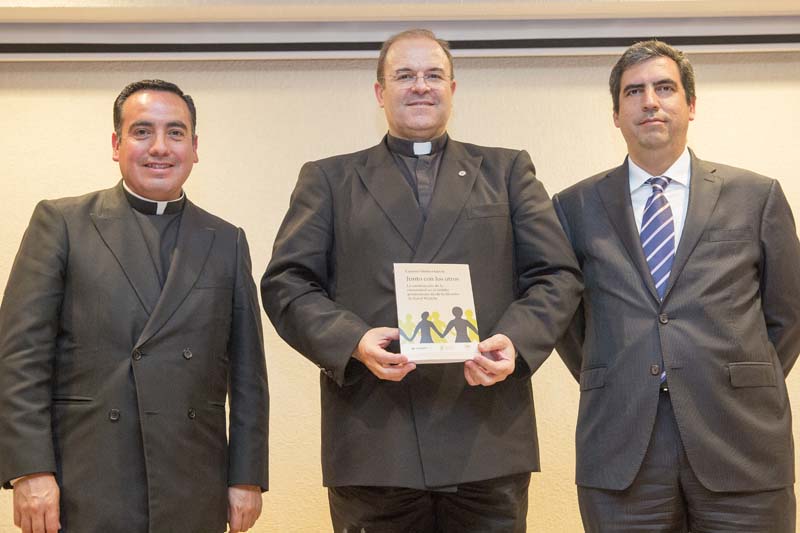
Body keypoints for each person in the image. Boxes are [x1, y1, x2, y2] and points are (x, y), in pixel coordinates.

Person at [262, 29, 581, 532]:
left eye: (433, 75)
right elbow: (287, 284)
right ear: (379, 92)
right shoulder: (328, 180)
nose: (420, 86)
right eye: (404, 75)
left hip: (486, 440)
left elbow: (557, 275)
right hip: (374, 444)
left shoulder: (507, 171)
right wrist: (354, 340)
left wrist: (516, 342)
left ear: (452, 88)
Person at [0, 79, 269, 533]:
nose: (160, 147)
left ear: (195, 147)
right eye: (142, 131)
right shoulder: (62, 223)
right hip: (86, 478)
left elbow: (248, 372)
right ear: (116, 144)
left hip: (192, 480)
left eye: (176, 132)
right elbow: (19, 360)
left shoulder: (227, 240)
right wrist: (30, 471)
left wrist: (247, 477)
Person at [554, 40, 800, 532]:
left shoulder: (756, 195)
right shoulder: (574, 207)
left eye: (665, 88)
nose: (650, 101)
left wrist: (729, 373)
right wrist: (627, 370)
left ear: (690, 105)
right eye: (634, 91)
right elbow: (569, 323)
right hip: (623, 447)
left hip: (741, 441)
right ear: (616, 114)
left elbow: (787, 314)